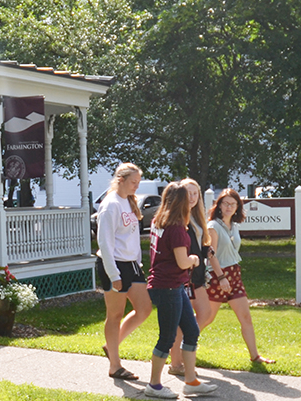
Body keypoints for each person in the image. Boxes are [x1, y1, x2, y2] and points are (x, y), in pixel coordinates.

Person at [142, 183, 218, 398]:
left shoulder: (159, 221)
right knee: (167, 338)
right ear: (181, 202)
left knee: (191, 331)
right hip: (168, 287)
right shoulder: (175, 227)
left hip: (173, 285)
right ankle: (154, 385)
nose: (192, 201)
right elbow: (183, 261)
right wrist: (195, 258)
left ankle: (191, 381)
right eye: (188, 198)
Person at [201, 189, 275, 364]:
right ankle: (183, 347)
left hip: (234, 274)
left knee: (245, 317)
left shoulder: (234, 226)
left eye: (232, 204)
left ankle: (255, 356)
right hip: (218, 276)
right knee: (207, 317)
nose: (229, 207)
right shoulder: (213, 226)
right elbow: (211, 255)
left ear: (237, 207)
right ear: (219, 205)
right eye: (225, 203)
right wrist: (221, 278)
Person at [95, 163, 152, 381]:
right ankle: (115, 366)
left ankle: (112, 345)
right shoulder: (110, 205)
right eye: (133, 182)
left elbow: (131, 238)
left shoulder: (129, 201)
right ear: (120, 180)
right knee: (115, 315)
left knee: (144, 308)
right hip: (114, 265)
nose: (136, 186)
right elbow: (105, 242)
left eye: (138, 182)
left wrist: (137, 261)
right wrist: (114, 274)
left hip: (131, 265)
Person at [167, 178, 221, 376]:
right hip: (184, 276)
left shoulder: (198, 218)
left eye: (194, 193)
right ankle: (176, 364)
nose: (191, 197)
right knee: (184, 320)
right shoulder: (179, 218)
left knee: (205, 314)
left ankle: (184, 348)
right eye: (187, 193)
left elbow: (203, 247)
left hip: (197, 275)